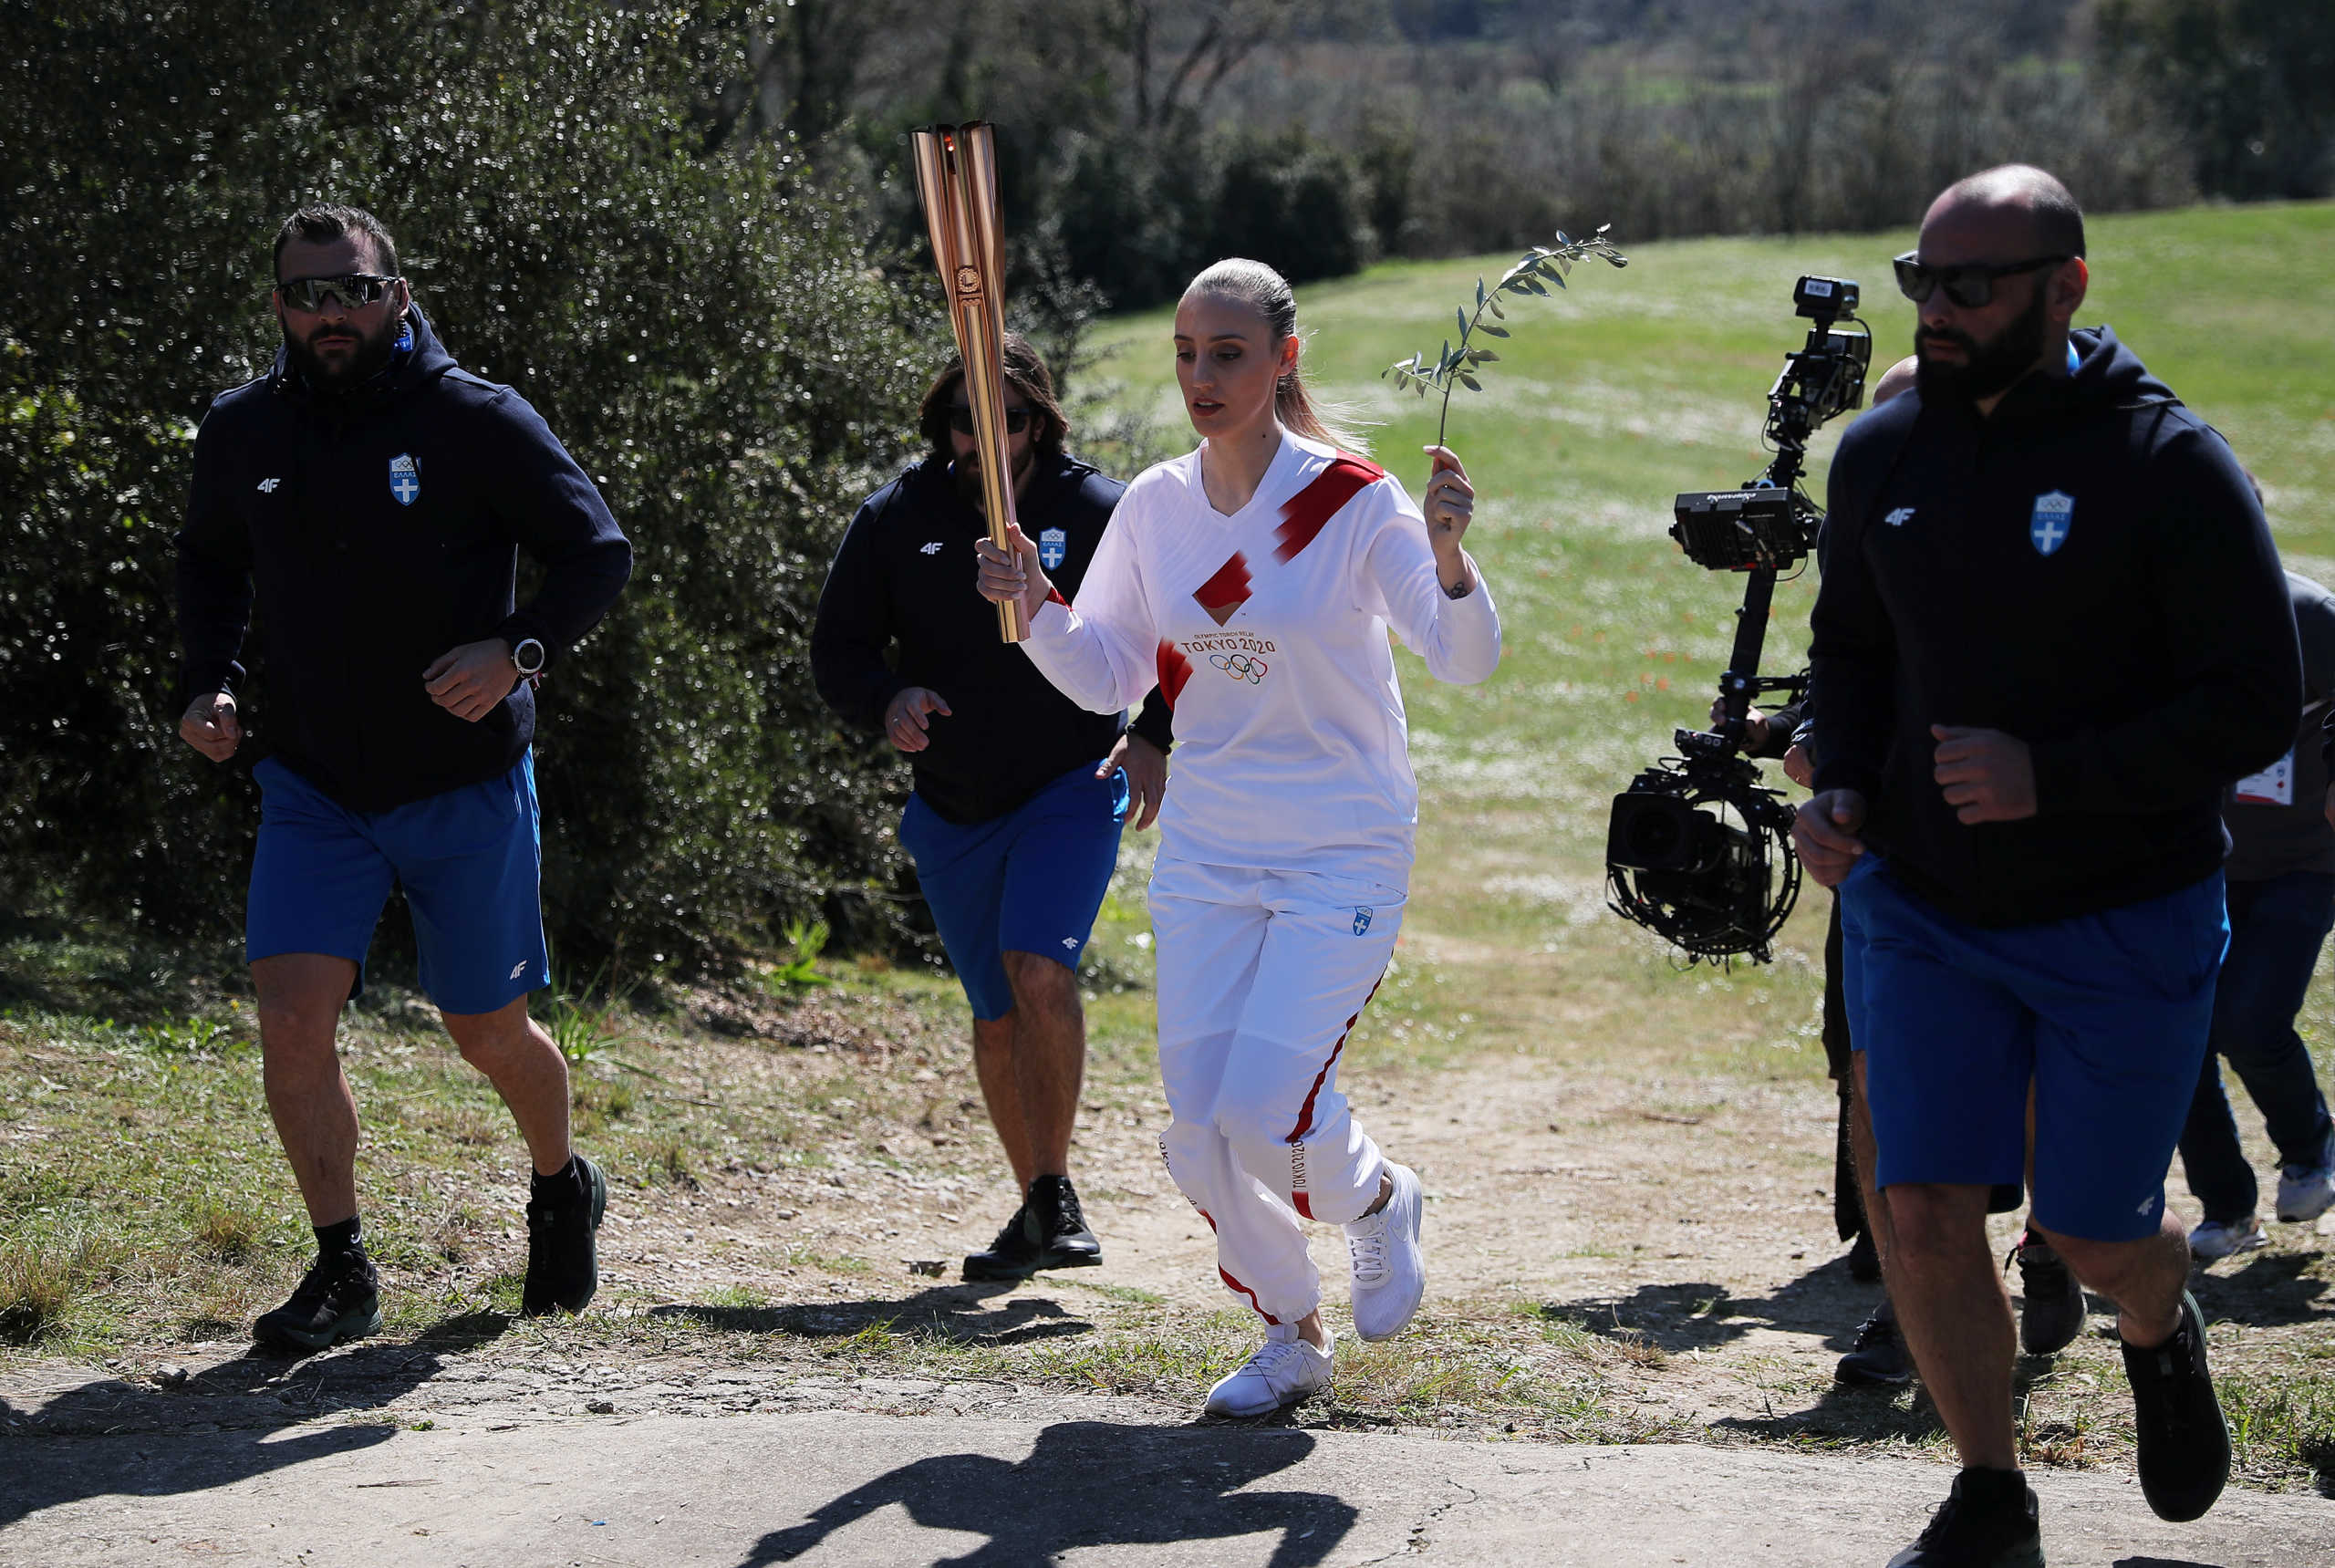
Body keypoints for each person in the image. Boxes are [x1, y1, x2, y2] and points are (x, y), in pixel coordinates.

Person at [1799, 166, 2296, 1564]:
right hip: (1918, 902)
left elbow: (2257, 699)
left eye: (1972, 285)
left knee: (2088, 1229)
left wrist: (2052, 773)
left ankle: (2155, 1313)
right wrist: (1838, 779)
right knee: (1920, 1199)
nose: (1938, 311)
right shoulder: (1883, 453)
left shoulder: (2166, 467)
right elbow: (1852, 647)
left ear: (2067, 287)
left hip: (2117, 915)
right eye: (1922, 283)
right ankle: (1989, 1495)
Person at [975, 257, 1500, 1419]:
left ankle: (1374, 1204)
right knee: (1200, 1134)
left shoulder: (1355, 502)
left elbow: (1464, 658)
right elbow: (1107, 674)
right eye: (1186, 354)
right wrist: (1033, 612)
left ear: (1282, 361)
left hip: (1340, 845)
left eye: (1228, 354)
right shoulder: (1155, 506)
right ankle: (1288, 1333)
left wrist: (1453, 555)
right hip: (1210, 847)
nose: (1202, 377)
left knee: (1268, 1113)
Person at [175, 205, 633, 1351]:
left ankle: (561, 1179)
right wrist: (206, 682)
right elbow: (207, 563)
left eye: (354, 290)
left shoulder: (474, 418)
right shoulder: (243, 431)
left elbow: (597, 552)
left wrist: (515, 650)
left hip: (461, 781)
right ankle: (341, 1268)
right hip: (313, 781)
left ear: (399, 290)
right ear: (278, 304)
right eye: (307, 294)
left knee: (485, 1029)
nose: (331, 314)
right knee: (290, 1014)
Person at [812, 336, 1172, 1281]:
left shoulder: (1096, 511)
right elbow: (838, 649)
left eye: (1007, 418)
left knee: (1038, 971)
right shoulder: (898, 514)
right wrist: (886, 699)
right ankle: (1034, 1205)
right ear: (946, 425)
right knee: (994, 1013)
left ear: (1038, 422)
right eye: (968, 418)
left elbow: (1176, 639)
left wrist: (1151, 736)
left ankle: (1056, 1195)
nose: (988, 436)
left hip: (1070, 782)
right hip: (950, 805)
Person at [2177, 567, 2335, 1259]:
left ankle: (2310, 1149)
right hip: (2190, 859)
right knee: (2177, 1035)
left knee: (2249, 1019)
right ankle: (2227, 1206)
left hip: (2304, 859)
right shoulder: (2152, 604)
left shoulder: (2311, 615)